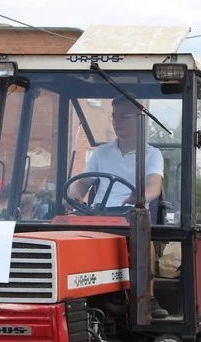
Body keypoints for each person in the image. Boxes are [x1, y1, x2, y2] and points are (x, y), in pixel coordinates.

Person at [68, 95, 168, 319]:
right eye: (114, 116)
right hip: (98, 215)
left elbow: (154, 184)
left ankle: (147, 296)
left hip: (131, 214)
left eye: (124, 116)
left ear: (139, 120)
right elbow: (83, 182)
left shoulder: (151, 154)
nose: (117, 121)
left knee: (143, 236)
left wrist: (140, 198)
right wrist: (75, 193)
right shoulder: (102, 152)